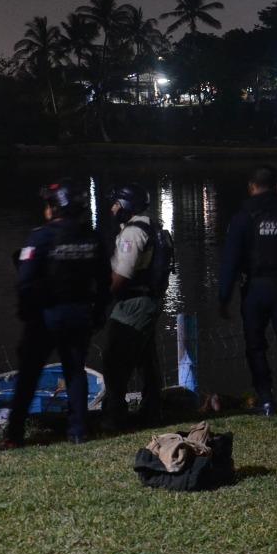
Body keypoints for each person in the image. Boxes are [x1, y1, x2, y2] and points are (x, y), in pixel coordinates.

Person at [1, 178, 109, 448]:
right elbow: (104, 280)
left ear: (55, 208)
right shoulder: (92, 239)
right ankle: (78, 431)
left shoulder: (41, 237)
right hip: (80, 314)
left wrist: (26, 315)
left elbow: (24, 281)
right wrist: (98, 312)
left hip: (45, 318)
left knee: (29, 375)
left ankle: (14, 434)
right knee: (75, 372)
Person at [218, 165, 277, 415]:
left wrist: (224, 297)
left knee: (255, 346)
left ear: (251, 187)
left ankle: (267, 400)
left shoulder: (242, 217)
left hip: (255, 290)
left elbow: (230, 261)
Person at [102, 183, 167, 430]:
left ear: (126, 205)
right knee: (146, 359)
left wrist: (101, 298)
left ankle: (115, 417)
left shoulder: (132, 233)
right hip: (147, 300)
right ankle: (152, 412)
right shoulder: (150, 225)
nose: (112, 208)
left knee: (115, 359)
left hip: (133, 303)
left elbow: (122, 276)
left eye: (116, 203)